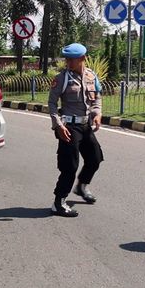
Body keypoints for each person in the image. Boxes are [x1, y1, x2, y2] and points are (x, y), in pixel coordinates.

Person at [48, 43, 103, 217]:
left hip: (85, 125)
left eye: (72, 59)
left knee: (95, 158)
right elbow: (51, 103)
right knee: (69, 166)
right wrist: (58, 125)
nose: (68, 62)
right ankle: (58, 202)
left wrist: (97, 113)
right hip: (68, 127)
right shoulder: (62, 78)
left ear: (82, 59)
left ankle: (81, 186)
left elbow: (97, 97)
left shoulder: (91, 76)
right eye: (67, 59)